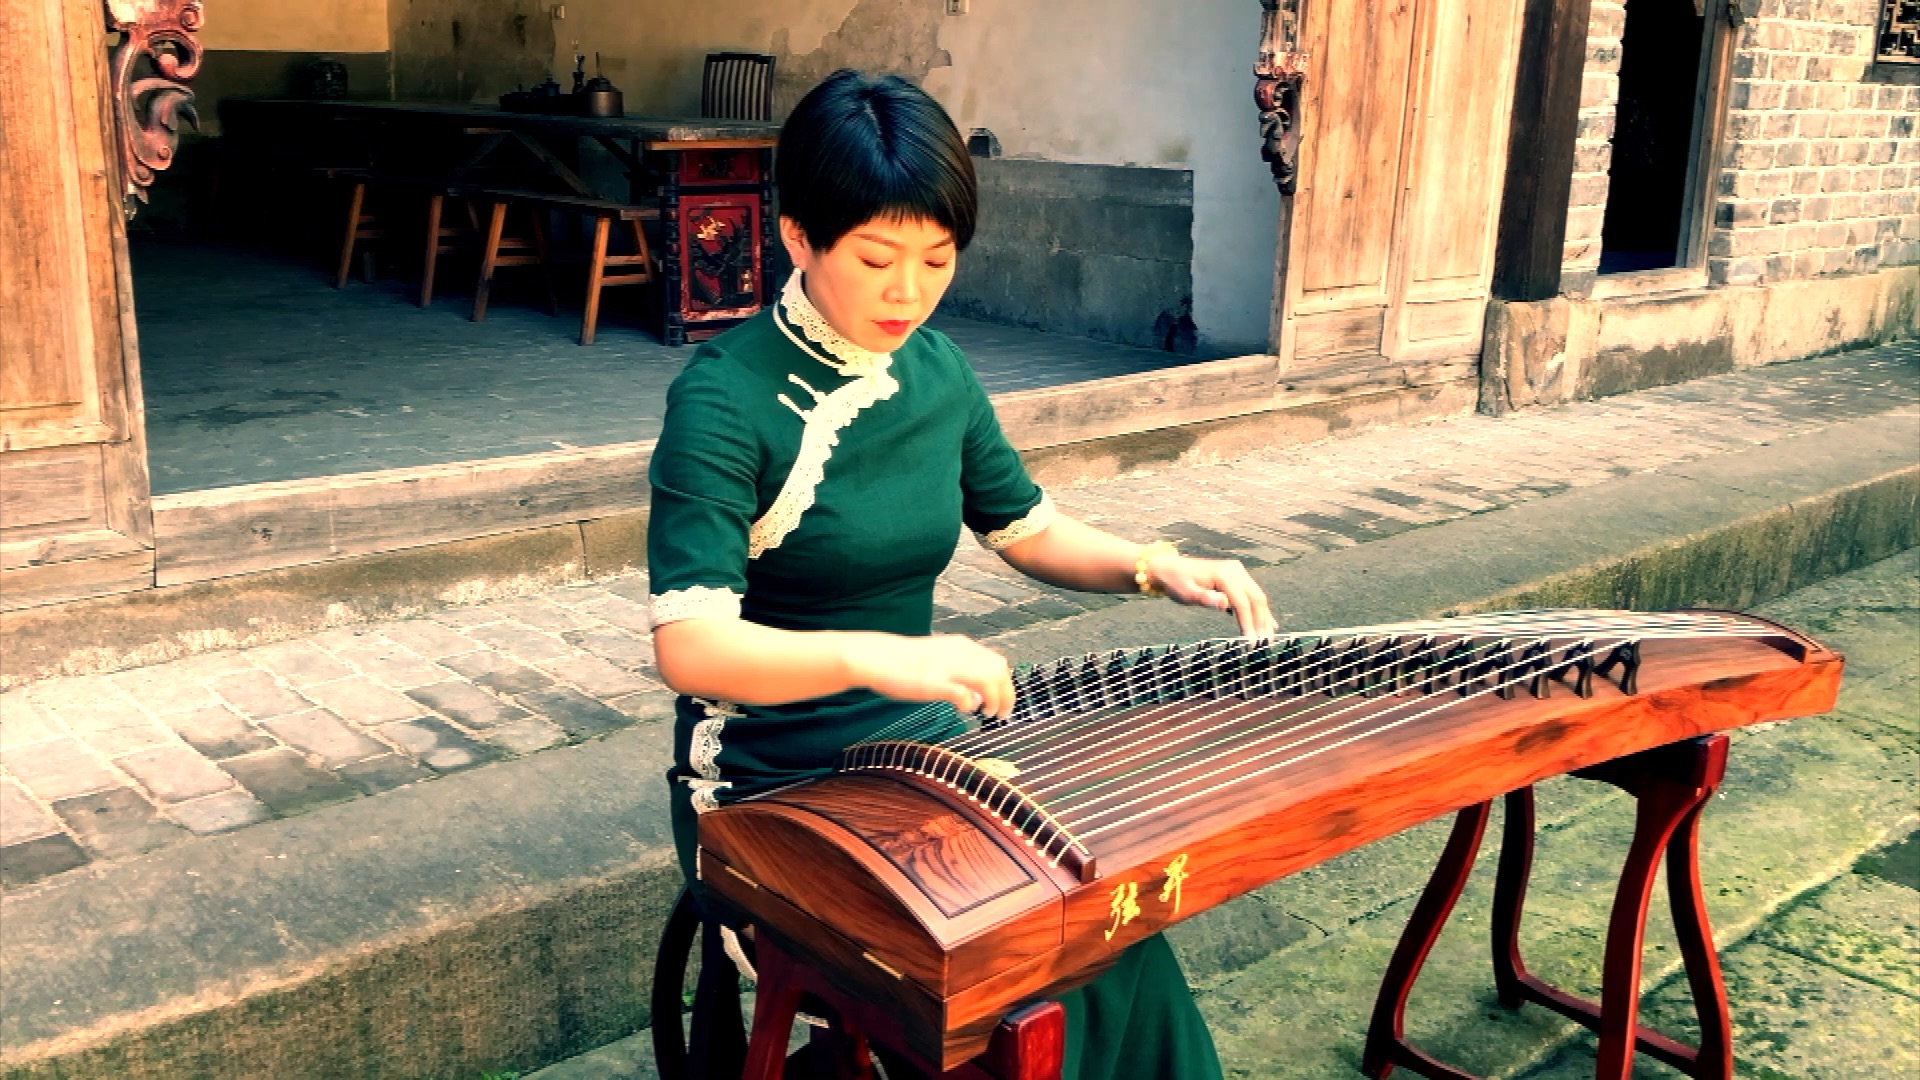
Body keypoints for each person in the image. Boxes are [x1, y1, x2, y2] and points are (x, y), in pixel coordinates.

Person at [648, 68, 1275, 1080]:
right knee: (1022, 969)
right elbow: (690, 646)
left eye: (937, 259)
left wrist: (1159, 566)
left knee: (1107, 935)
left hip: (923, 749)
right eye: (878, 257)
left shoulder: (936, 371)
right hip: (773, 776)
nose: (910, 291)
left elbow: (1027, 530)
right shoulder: (725, 400)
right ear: (798, 237)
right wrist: (886, 657)